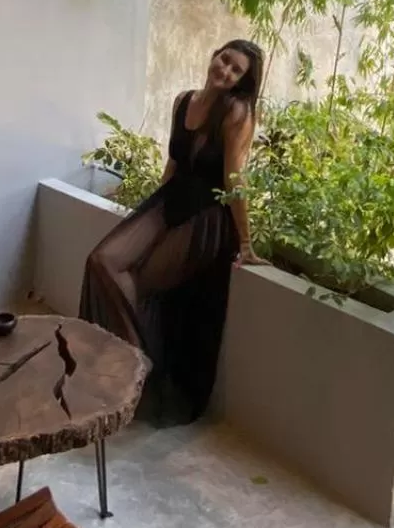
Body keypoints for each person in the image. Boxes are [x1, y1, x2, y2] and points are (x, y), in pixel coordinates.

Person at [79, 39, 264, 425]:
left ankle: (135, 373)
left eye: (236, 71)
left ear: (241, 82)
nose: (225, 70)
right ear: (214, 54)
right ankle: (140, 365)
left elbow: (235, 180)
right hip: (171, 199)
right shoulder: (183, 101)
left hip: (207, 216)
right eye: (224, 59)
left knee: (140, 283)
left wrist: (245, 241)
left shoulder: (236, 112)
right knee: (102, 261)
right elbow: (174, 163)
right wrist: (146, 216)